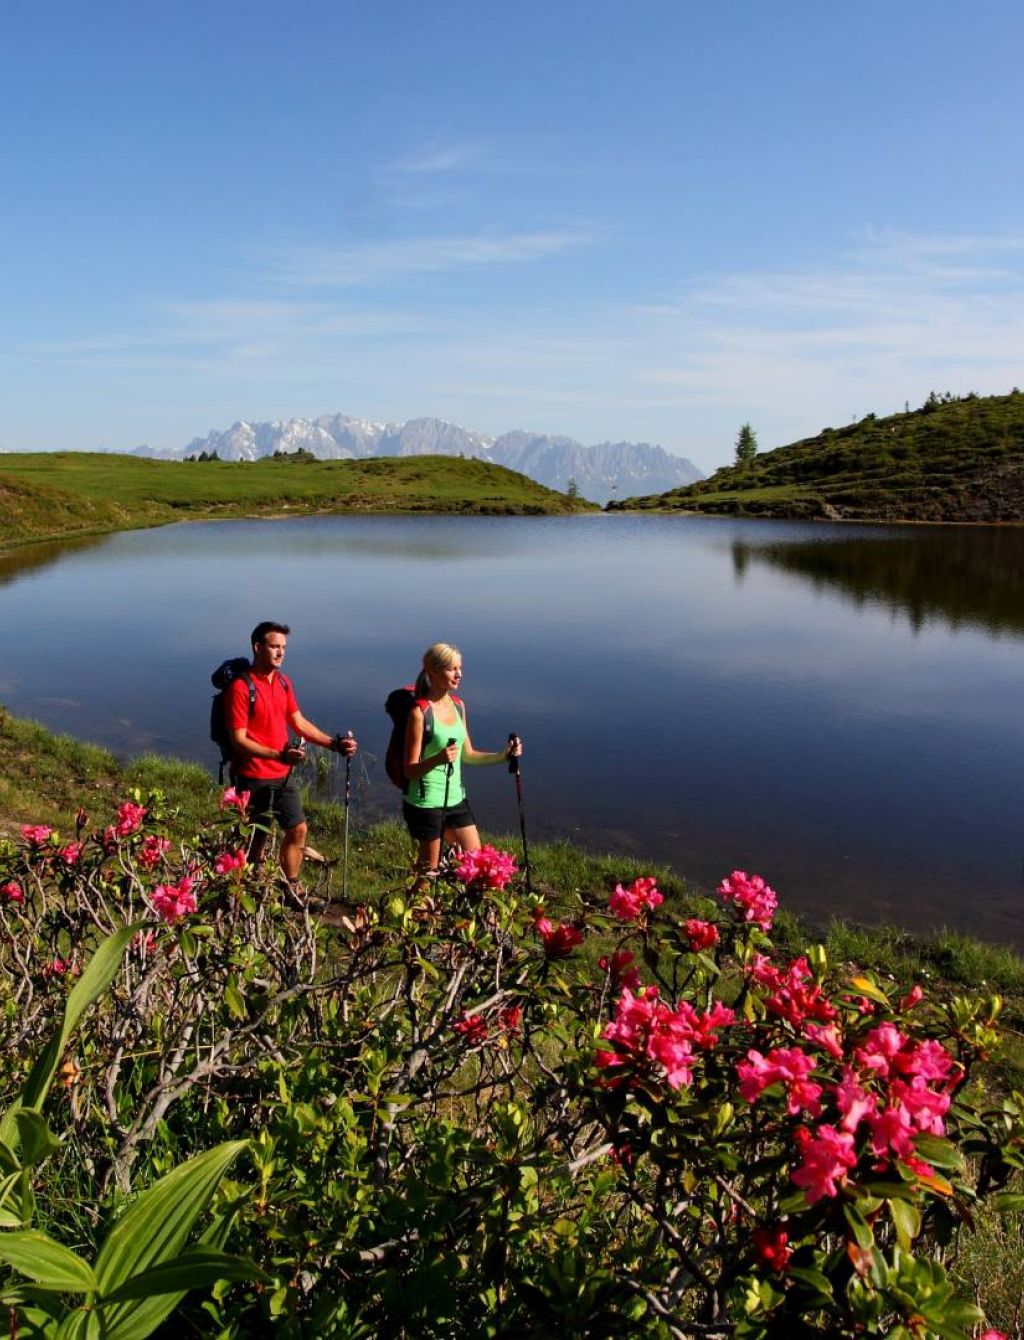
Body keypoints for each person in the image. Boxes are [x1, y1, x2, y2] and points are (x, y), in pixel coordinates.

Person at [227, 620, 357, 893]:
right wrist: (278, 754)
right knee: (256, 834)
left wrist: (334, 744)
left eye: (283, 647)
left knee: (297, 829)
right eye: (274, 646)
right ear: (257, 647)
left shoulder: (283, 683)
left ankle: (292, 888)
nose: (280, 653)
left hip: (281, 774)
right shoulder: (241, 687)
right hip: (251, 775)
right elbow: (238, 740)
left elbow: (298, 722)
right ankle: (245, 883)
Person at [402, 642, 521, 882]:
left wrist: (503, 755)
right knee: (427, 876)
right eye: (452, 669)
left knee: (477, 863)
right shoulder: (419, 713)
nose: (459, 674)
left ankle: (467, 913)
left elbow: (467, 754)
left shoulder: (458, 705)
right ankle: (414, 915)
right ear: (433, 671)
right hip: (426, 802)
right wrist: (438, 759)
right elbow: (409, 770)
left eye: (460, 668)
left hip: (456, 797)